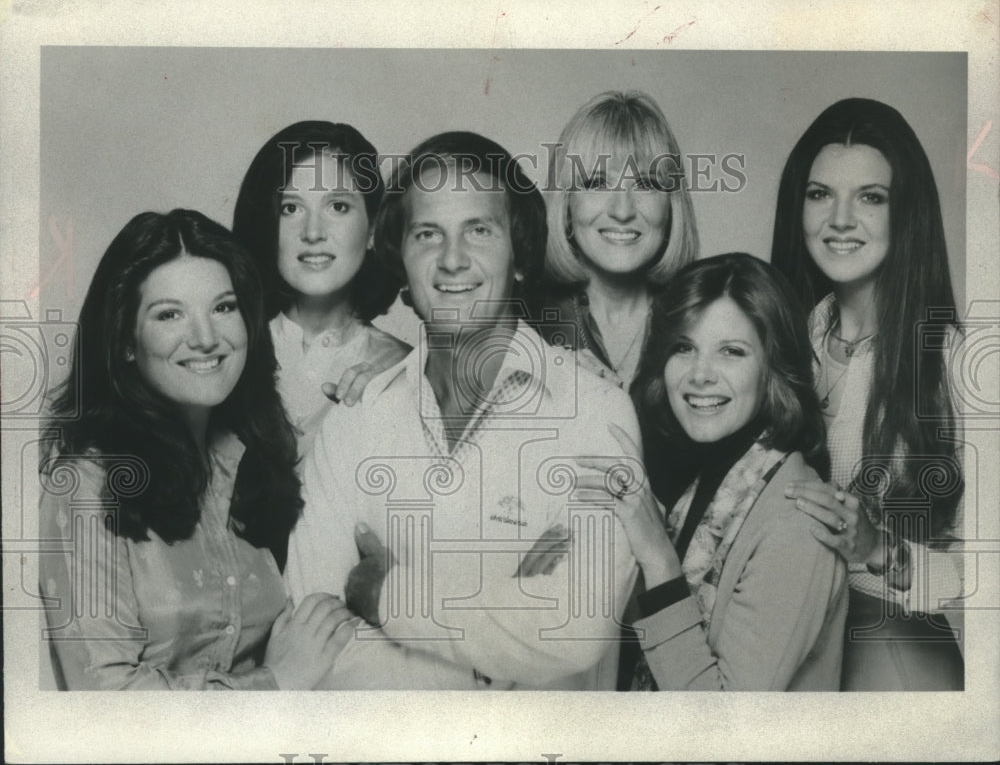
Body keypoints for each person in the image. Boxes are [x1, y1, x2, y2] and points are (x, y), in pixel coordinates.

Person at [285, 131, 641, 689]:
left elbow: (572, 625)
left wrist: (386, 595)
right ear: (400, 263)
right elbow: (315, 640)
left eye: (479, 229)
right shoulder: (355, 421)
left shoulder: (593, 415)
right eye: (427, 234)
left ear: (520, 256)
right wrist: (499, 637)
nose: (452, 260)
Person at [40, 209, 355, 689]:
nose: (207, 338)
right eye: (169, 314)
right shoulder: (87, 485)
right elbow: (104, 700)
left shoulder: (259, 460)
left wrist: (387, 383)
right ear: (125, 340)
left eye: (224, 308)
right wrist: (275, 683)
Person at [578, 253, 847, 690]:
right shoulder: (704, 477)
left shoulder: (798, 523)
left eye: (732, 352)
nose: (700, 375)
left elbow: (722, 732)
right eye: (683, 348)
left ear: (773, 368)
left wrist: (658, 556)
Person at [770, 98, 965, 690]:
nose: (841, 219)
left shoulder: (955, 364)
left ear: (906, 213)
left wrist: (881, 549)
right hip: (790, 639)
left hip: (893, 648)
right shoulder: (780, 341)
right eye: (820, 194)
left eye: (871, 197)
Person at [233, 121, 410, 451]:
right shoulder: (225, 346)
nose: (313, 232)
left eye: (338, 206)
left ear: (373, 228)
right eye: (290, 208)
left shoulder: (405, 369)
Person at [540, 90, 699, 389]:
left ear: (671, 204)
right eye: (597, 183)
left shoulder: (705, 314)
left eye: (646, 183)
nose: (622, 210)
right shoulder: (519, 321)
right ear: (566, 203)